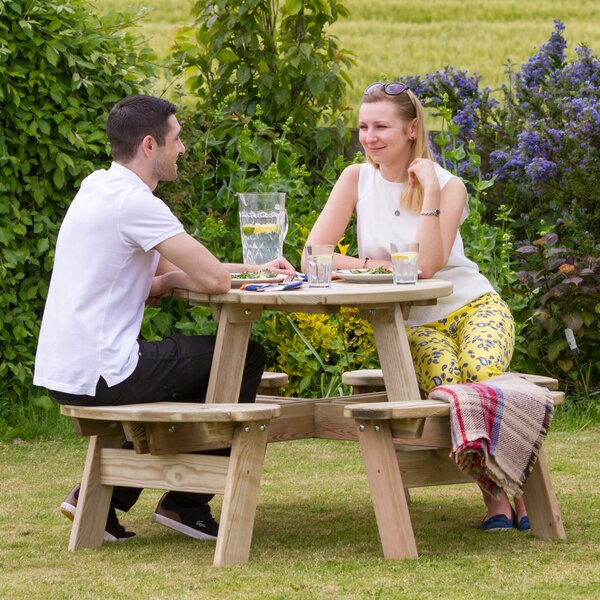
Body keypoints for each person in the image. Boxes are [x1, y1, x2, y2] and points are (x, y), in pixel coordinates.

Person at [34, 95, 295, 542]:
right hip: (103, 373)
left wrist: (258, 270)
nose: (183, 149)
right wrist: (219, 274)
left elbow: (172, 271)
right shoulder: (137, 203)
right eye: (178, 139)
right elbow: (212, 279)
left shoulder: (98, 186)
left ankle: (101, 500)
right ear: (150, 145)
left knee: (195, 364)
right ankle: (186, 502)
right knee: (243, 358)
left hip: (68, 369)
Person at [302, 82, 525, 532]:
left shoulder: (447, 185)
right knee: (447, 388)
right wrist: (383, 265)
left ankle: (512, 489)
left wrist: (427, 195)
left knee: (479, 375)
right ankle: (500, 493)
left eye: (382, 126)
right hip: (415, 321)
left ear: (412, 129)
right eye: (364, 126)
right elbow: (313, 254)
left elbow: (428, 265)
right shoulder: (355, 179)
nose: (369, 137)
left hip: (472, 304)